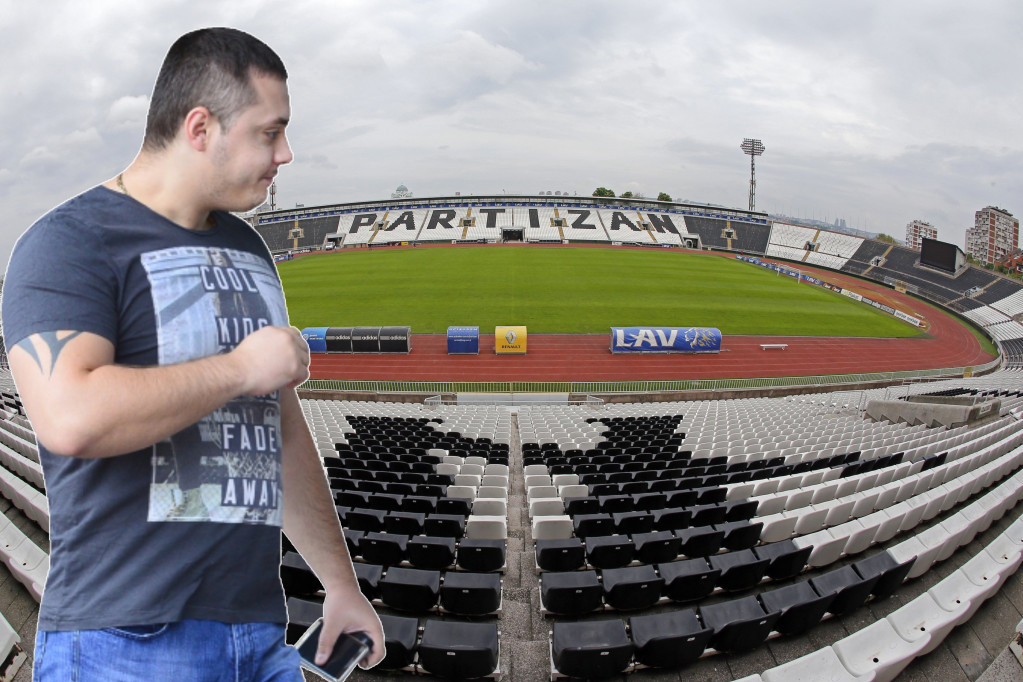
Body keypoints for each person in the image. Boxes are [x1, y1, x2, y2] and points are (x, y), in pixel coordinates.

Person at [1, 27, 384, 680]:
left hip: (259, 631)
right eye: (269, 132)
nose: (285, 153)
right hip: (125, 641)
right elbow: (70, 417)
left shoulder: (248, 247)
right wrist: (241, 368)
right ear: (200, 127)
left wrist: (340, 584)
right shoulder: (68, 243)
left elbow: (280, 433)